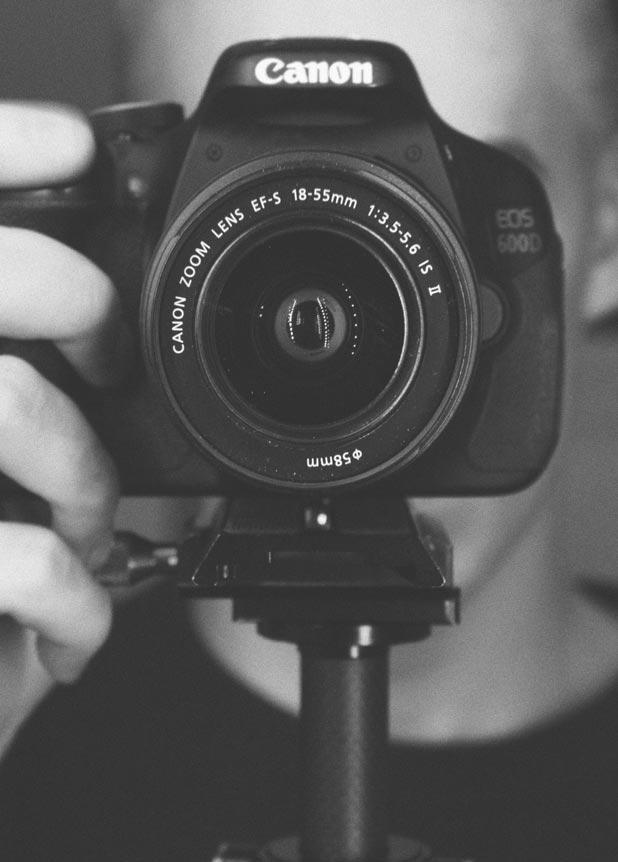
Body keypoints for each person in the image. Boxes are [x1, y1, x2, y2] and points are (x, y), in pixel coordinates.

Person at [0, 1, 616, 859]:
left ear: (609, 230)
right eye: (248, 197)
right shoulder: (22, 733)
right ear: (138, 246)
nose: (338, 253)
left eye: (445, 200)